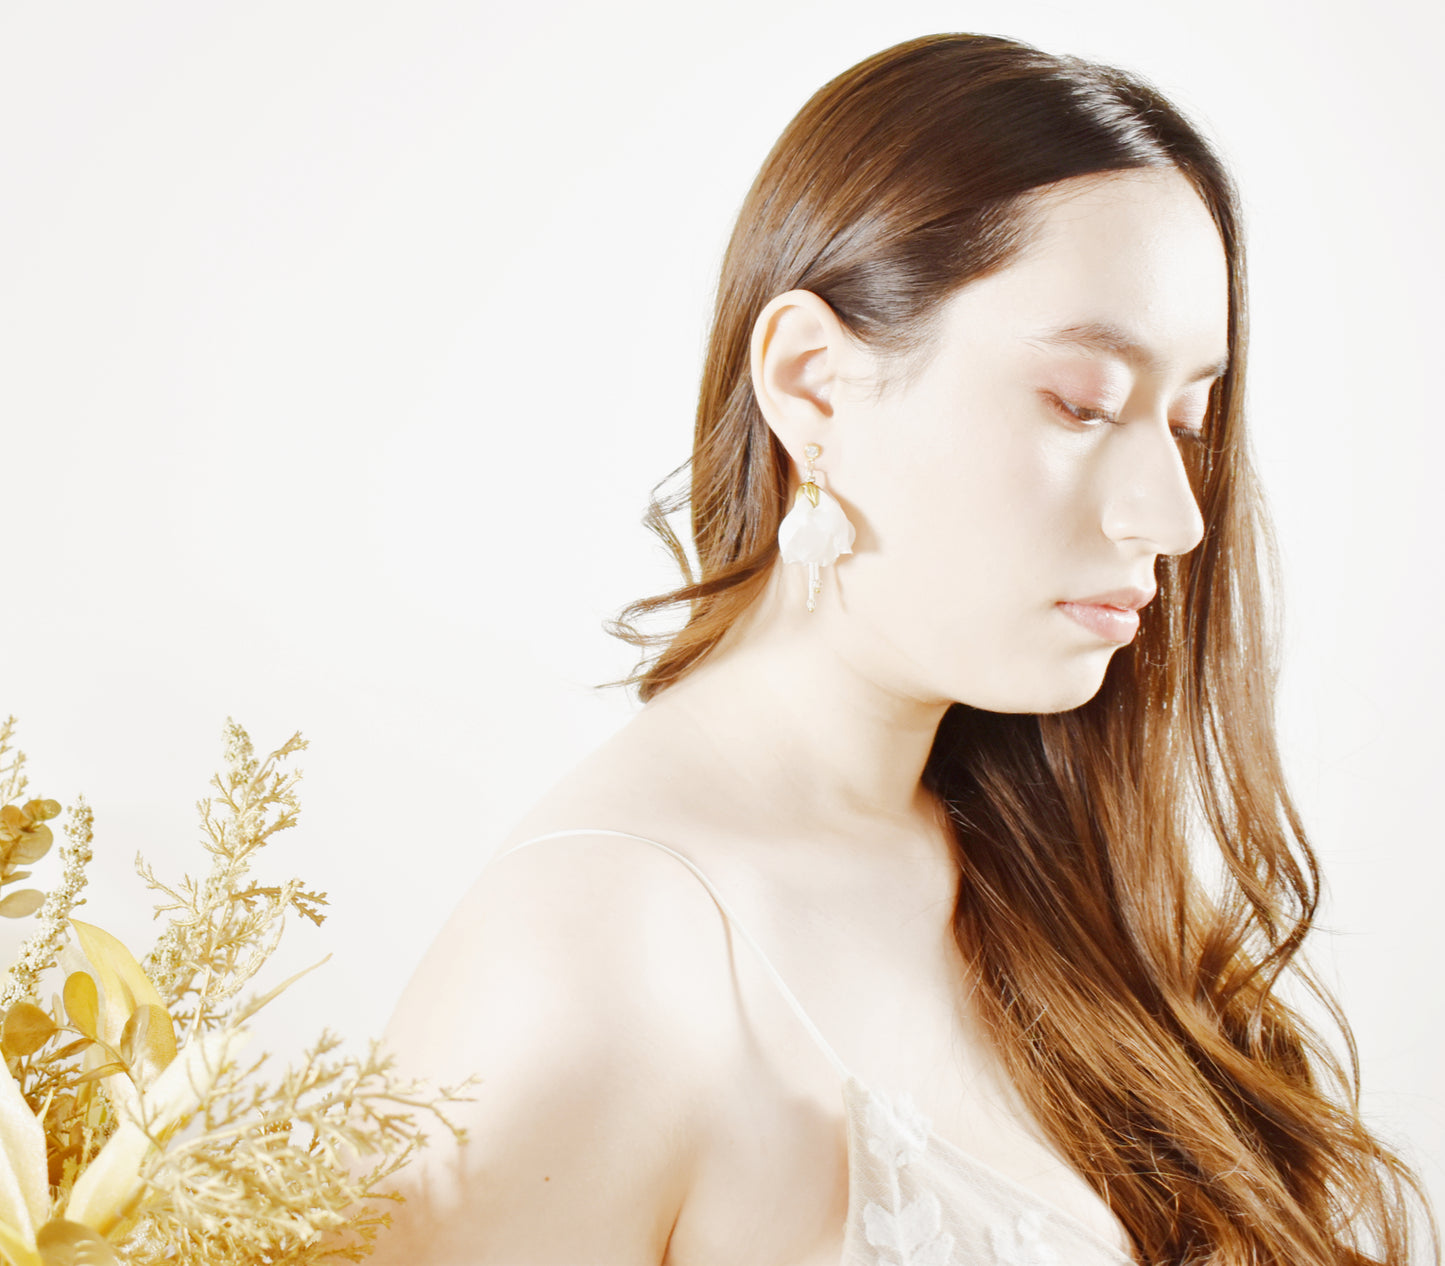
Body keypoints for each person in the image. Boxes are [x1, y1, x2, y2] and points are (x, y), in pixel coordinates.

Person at [372, 32, 1433, 1266]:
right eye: (1082, 403)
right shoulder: (595, 962)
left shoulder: (1047, 859)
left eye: (1187, 418)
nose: (1174, 514)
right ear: (813, 383)